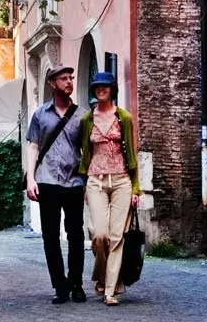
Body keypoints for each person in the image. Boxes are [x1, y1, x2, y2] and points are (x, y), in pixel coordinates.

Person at [25, 64, 87, 304]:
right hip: (47, 180)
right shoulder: (40, 114)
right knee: (50, 236)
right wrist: (31, 178)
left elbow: (87, 151)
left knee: (76, 235)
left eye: (71, 78)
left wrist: (86, 181)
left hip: (73, 182)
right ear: (52, 83)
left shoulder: (82, 115)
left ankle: (76, 284)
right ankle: (60, 287)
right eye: (63, 78)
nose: (69, 82)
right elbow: (33, 146)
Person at [78, 71, 140, 306]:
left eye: (105, 86)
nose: (100, 90)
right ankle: (101, 276)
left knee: (116, 237)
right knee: (99, 235)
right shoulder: (87, 120)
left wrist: (136, 188)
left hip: (122, 180)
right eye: (96, 87)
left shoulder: (123, 117)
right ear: (93, 91)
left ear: (112, 89)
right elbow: (85, 154)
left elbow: (132, 154)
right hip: (96, 180)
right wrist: (83, 184)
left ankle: (110, 290)